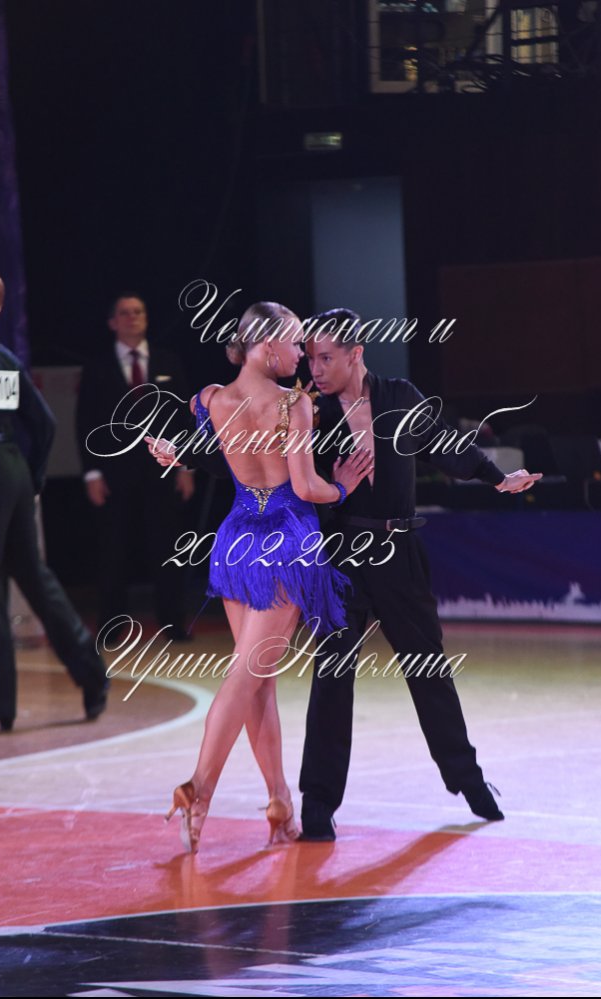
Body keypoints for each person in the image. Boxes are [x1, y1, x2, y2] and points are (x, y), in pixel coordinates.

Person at [297, 308, 542, 839]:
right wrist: (335, 488)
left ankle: (468, 780)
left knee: (429, 669)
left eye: (326, 358)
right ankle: (317, 802)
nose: (314, 368)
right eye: (311, 358)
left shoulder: (399, 397)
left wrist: (497, 478)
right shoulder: (309, 411)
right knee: (332, 679)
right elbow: (291, 483)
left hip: (399, 552)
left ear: (356, 354)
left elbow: (447, 446)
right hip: (340, 554)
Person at [146, 301, 373, 852]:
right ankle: (199, 786)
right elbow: (307, 488)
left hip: (236, 539)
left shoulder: (209, 399)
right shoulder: (294, 403)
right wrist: (343, 486)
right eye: (295, 343)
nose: (301, 354)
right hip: (285, 540)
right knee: (247, 675)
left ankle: (279, 801)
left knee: (257, 681)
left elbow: (212, 455)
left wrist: (177, 453)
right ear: (267, 346)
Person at [0, 268, 109, 734]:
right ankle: (91, 672)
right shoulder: (5, 359)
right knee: (35, 577)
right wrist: (33, 476)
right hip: (14, 470)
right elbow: (44, 424)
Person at [76, 294, 195, 638]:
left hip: (163, 470)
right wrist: (92, 473)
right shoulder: (97, 367)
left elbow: (184, 417)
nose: (133, 317)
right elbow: (85, 423)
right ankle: (111, 626)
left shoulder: (168, 360)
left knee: (167, 547)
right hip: (114, 474)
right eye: (125, 313)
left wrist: (187, 467)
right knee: (113, 551)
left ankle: (173, 623)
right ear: (112, 322)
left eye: (138, 312)